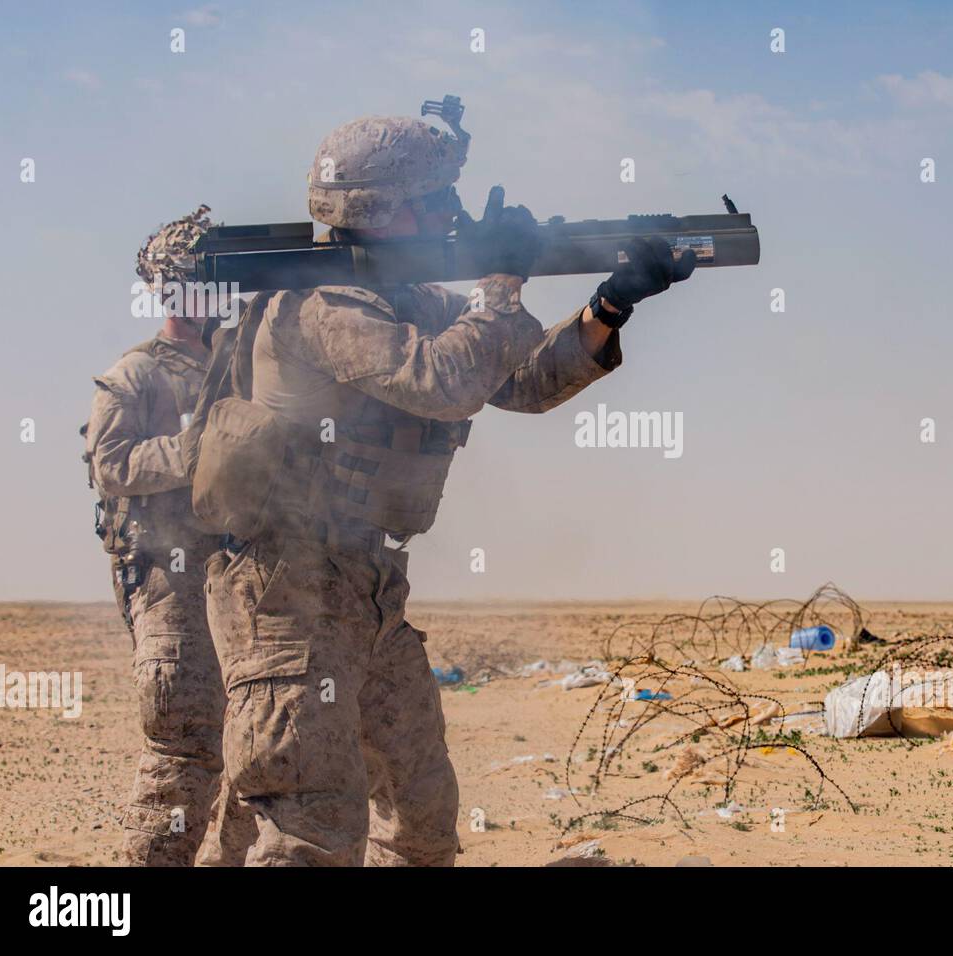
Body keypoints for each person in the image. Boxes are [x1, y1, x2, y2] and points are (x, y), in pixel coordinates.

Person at [198, 109, 694, 865]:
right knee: (310, 834)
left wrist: (610, 303)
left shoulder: (409, 302)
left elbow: (521, 382)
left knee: (421, 819)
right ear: (383, 208)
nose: (448, 216)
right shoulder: (320, 303)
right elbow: (443, 381)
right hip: (286, 600)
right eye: (435, 200)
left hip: (366, 592)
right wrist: (503, 280)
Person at [85, 206, 245, 865]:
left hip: (240, 580)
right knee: (182, 751)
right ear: (177, 290)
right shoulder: (138, 375)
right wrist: (196, 448)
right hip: (169, 584)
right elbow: (111, 464)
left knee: (263, 746)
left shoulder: (239, 368)